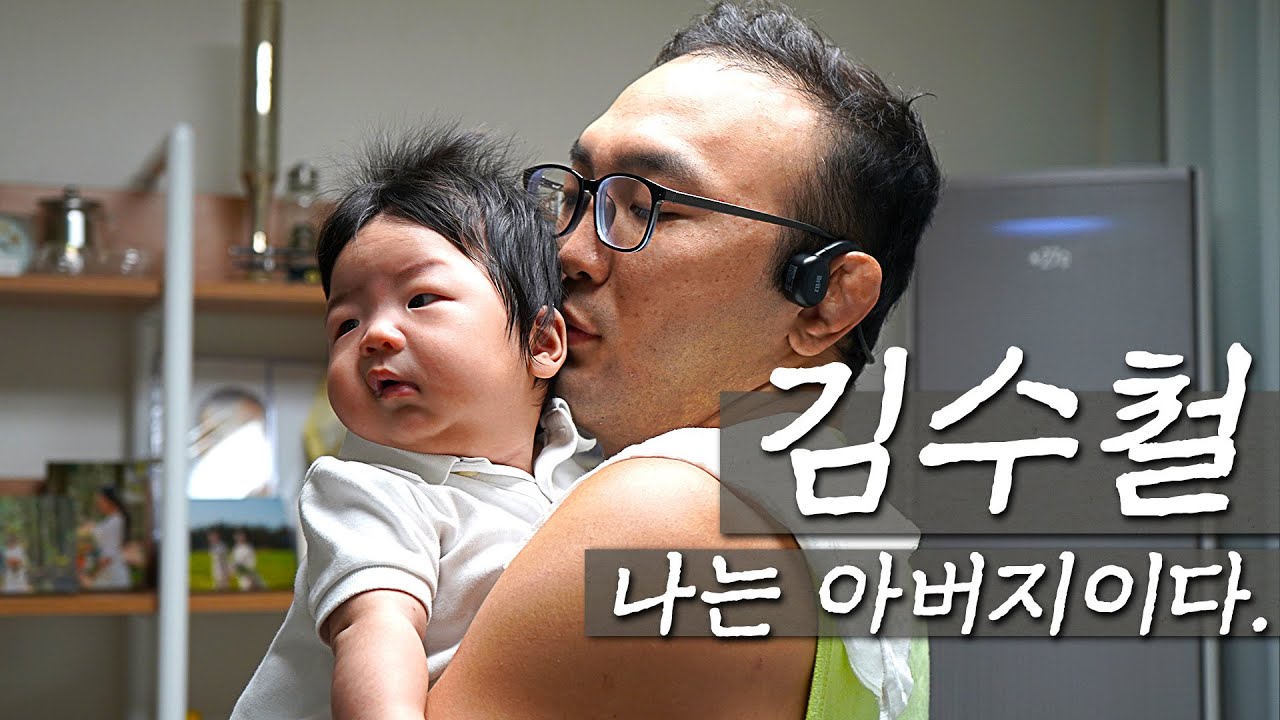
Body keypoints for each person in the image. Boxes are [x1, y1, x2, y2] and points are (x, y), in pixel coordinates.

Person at [426, 3, 941, 719]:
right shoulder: (849, 523)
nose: (569, 252)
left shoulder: (660, 515)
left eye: (651, 209)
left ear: (825, 301)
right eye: (575, 195)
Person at [230, 125, 579, 720]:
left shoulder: (579, 474)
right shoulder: (366, 492)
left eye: (420, 300)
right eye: (345, 323)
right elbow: (377, 630)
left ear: (541, 342)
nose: (376, 335)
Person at [81, 486, 131, 590]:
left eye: (100, 501)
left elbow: (108, 557)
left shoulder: (115, 522)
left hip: (111, 580)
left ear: (109, 501)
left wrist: (91, 575)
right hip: (107, 577)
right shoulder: (113, 520)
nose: (98, 504)